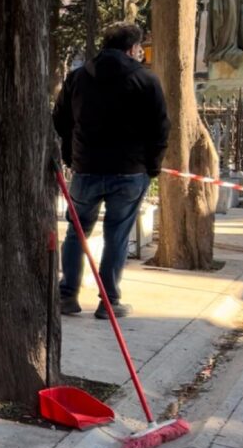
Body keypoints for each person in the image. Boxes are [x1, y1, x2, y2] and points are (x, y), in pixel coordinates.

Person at [53, 22, 170, 319]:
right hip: (129, 171)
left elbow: (61, 120)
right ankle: (109, 301)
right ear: (133, 49)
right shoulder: (146, 80)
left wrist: (71, 156)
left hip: (86, 168)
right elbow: (160, 129)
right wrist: (152, 166)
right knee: (116, 235)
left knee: (76, 232)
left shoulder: (78, 78)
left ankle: (67, 294)